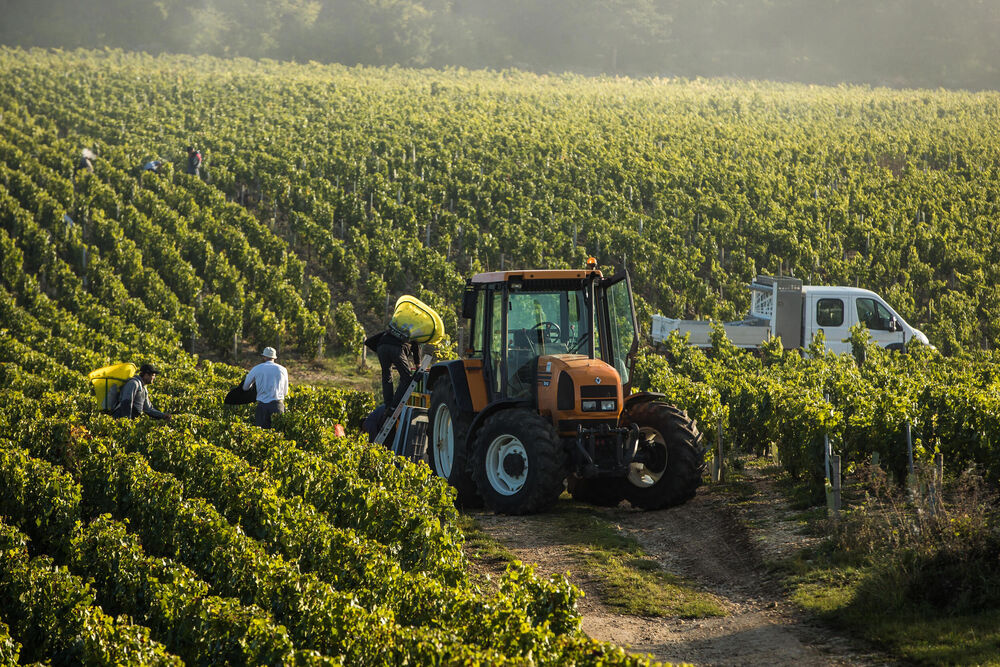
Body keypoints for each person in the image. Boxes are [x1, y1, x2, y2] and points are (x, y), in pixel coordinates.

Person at [366, 327, 420, 413]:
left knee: (387, 377)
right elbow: (416, 347)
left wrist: (383, 353)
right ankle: (394, 405)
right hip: (396, 348)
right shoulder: (412, 333)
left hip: (381, 347)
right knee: (407, 378)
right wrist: (418, 366)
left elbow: (368, 342)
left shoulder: (392, 331)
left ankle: (388, 405)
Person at [243, 346, 288, 428]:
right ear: (274, 357)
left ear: (264, 357)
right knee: (279, 436)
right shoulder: (283, 370)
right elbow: (285, 392)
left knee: (261, 436)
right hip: (278, 406)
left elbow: (245, 387)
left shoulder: (257, 369)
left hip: (262, 407)